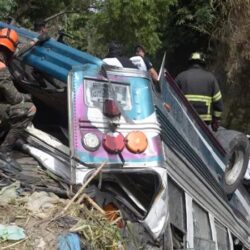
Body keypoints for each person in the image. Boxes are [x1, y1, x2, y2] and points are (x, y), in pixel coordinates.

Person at [0, 28, 36, 168]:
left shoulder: (3, 56)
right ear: (10, 49)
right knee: (29, 109)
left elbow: (16, 52)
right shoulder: (2, 69)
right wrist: (28, 97)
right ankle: (4, 152)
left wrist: (34, 42)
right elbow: (15, 99)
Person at [175, 52, 223, 132]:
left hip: (184, 119)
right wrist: (216, 120)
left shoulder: (180, 77)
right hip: (204, 123)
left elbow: (171, 97)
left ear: (190, 63)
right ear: (203, 63)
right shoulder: (211, 78)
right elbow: (218, 104)